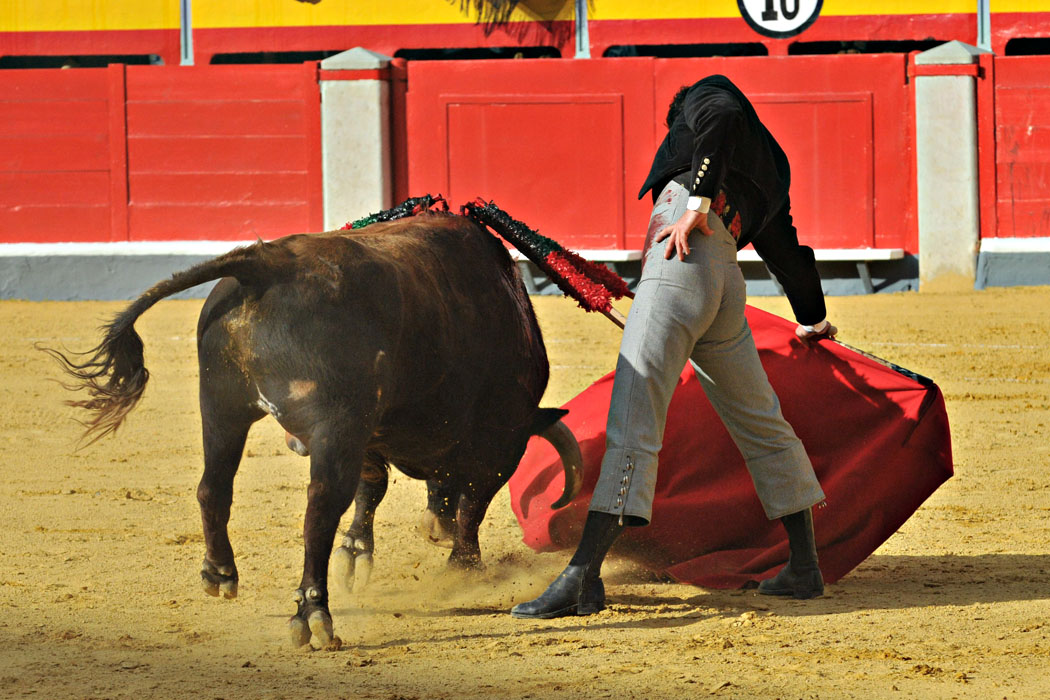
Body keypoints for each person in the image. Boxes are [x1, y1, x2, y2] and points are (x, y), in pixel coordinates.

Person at [511, 74, 837, 619]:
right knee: (762, 421)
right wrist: (813, 319)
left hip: (682, 253)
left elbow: (722, 120)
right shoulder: (771, 164)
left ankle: (582, 578)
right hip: (724, 279)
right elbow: (788, 252)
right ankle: (803, 565)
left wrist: (698, 201)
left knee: (633, 415)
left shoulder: (706, 95)